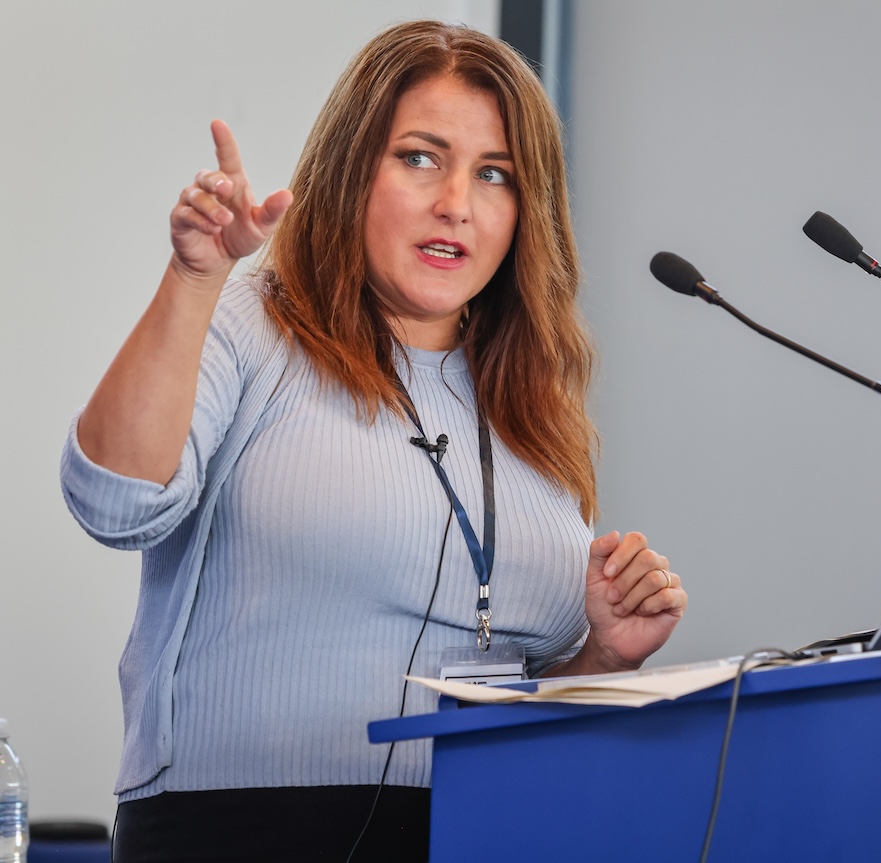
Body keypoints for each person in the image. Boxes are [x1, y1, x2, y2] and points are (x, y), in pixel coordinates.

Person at [59, 20, 687, 862]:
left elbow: (529, 699)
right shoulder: (254, 323)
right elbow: (115, 502)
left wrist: (602, 651)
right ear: (352, 169)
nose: (456, 202)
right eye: (420, 157)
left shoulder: (530, 402)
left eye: (494, 174)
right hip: (246, 833)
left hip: (488, 832)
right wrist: (192, 278)